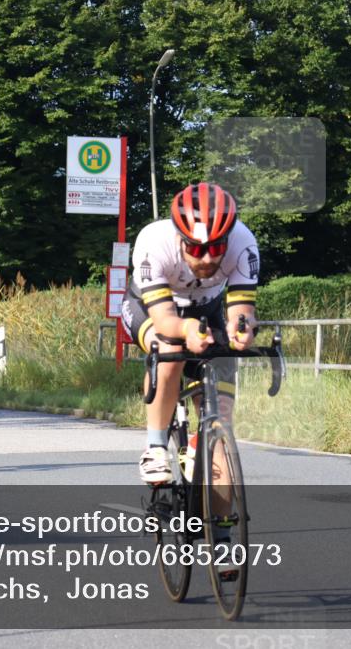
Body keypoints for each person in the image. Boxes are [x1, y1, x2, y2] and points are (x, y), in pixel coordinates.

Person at [120, 182, 260, 485]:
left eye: (216, 249)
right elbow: (166, 320)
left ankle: (222, 531)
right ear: (180, 239)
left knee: (221, 427)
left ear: (228, 240)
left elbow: (241, 311)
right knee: (169, 350)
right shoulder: (154, 242)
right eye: (197, 249)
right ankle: (156, 447)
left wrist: (243, 330)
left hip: (207, 310)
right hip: (151, 309)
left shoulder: (244, 243)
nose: (208, 258)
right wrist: (186, 330)